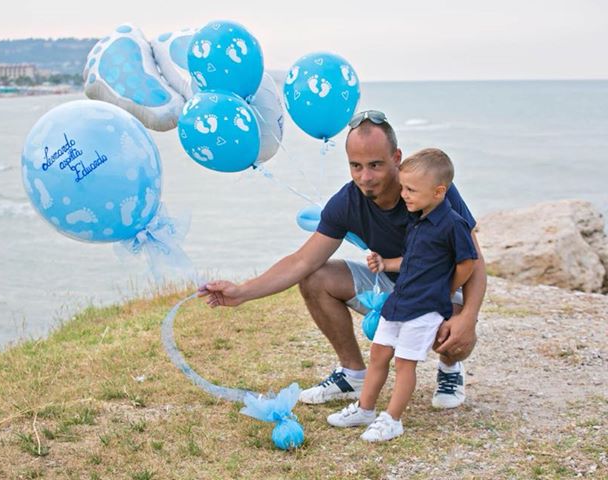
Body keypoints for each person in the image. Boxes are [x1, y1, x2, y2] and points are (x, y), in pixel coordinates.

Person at [199, 110, 486, 409]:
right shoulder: (346, 203)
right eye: (356, 166)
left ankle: (450, 368)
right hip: (391, 283)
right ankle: (352, 373)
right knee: (315, 277)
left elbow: (474, 261)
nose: (365, 177)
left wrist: (467, 317)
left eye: (375, 165)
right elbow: (301, 261)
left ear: (396, 157)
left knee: (453, 333)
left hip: (438, 286)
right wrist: (242, 292)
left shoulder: (431, 189)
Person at [326, 148, 477, 442]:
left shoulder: (453, 224)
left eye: (410, 189)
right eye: (403, 187)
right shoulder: (417, 218)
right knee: (379, 353)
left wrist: (444, 288)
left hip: (425, 307)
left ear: (438, 192)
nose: (403, 194)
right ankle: (365, 409)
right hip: (399, 302)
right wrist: (386, 264)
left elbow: (468, 262)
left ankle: (392, 420)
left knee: (404, 363)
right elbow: (413, 259)